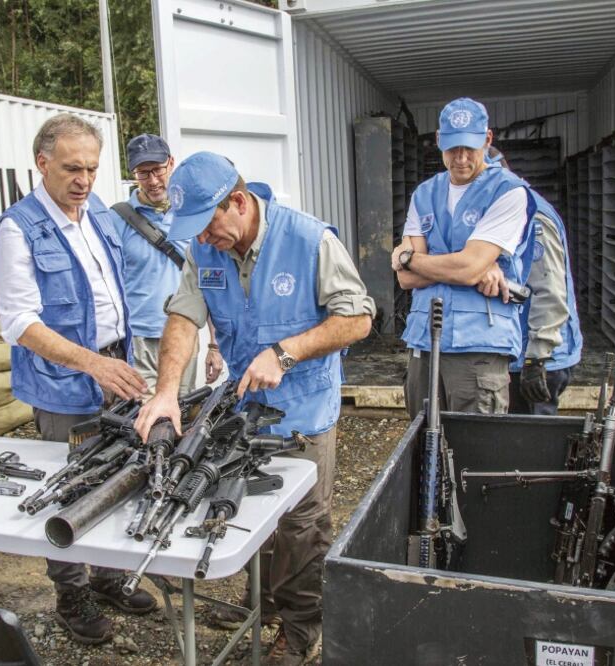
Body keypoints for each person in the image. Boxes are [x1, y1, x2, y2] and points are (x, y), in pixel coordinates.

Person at [133, 151, 374, 665]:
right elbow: (182, 316)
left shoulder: (311, 241)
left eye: (207, 225)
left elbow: (357, 319)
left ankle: (300, 629)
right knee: (242, 504)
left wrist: (286, 352)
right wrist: (166, 390)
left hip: (302, 410)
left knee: (302, 525)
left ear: (238, 203)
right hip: (243, 410)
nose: (201, 239)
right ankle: (260, 601)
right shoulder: (207, 250)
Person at [0, 113, 154, 645]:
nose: (83, 179)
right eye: (71, 168)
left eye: (91, 168)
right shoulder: (19, 227)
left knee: (118, 475)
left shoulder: (98, 215)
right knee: (68, 488)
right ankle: (71, 593)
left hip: (116, 368)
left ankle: (107, 577)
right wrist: (91, 362)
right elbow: (19, 323)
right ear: (42, 163)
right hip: (65, 381)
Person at [392, 97, 536, 417]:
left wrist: (408, 257)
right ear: (439, 141)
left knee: (474, 452)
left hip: (479, 344)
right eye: (452, 147)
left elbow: (468, 268)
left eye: (470, 147)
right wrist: (462, 265)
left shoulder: (508, 192)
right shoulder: (425, 193)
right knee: (421, 449)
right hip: (424, 338)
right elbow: (406, 278)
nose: (460, 158)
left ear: (487, 140)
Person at [111, 133, 223, 394]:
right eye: (143, 173)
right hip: (139, 340)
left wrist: (214, 346)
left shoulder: (192, 216)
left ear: (171, 163)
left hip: (184, 333)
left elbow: (210, 280)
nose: (152, 181)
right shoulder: (116, 219)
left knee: (180, 411)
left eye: (158, 170)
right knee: (145, 418)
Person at [508, 188, 583, 415]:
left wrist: (535, 359)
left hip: (537, 357)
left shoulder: (533, 217)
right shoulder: (511, 209)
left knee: (531, 440)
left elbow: (549, 290)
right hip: (519, 351)